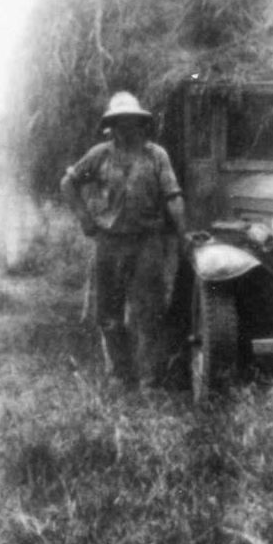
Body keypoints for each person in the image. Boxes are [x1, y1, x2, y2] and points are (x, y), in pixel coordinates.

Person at [61, 91, 187, 391]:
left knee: (149, 311)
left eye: (132, 122)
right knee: (109, 312)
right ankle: (119, 373)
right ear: (111, 126)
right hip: (110, 242)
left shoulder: (156, 155)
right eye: (120, 122)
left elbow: (173, 196)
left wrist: (184, 234)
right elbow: (68, 183)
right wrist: (85, 218)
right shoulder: (100, 155)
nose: (127, 128)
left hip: (147, 243)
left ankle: (149, 378)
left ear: (142, 124)